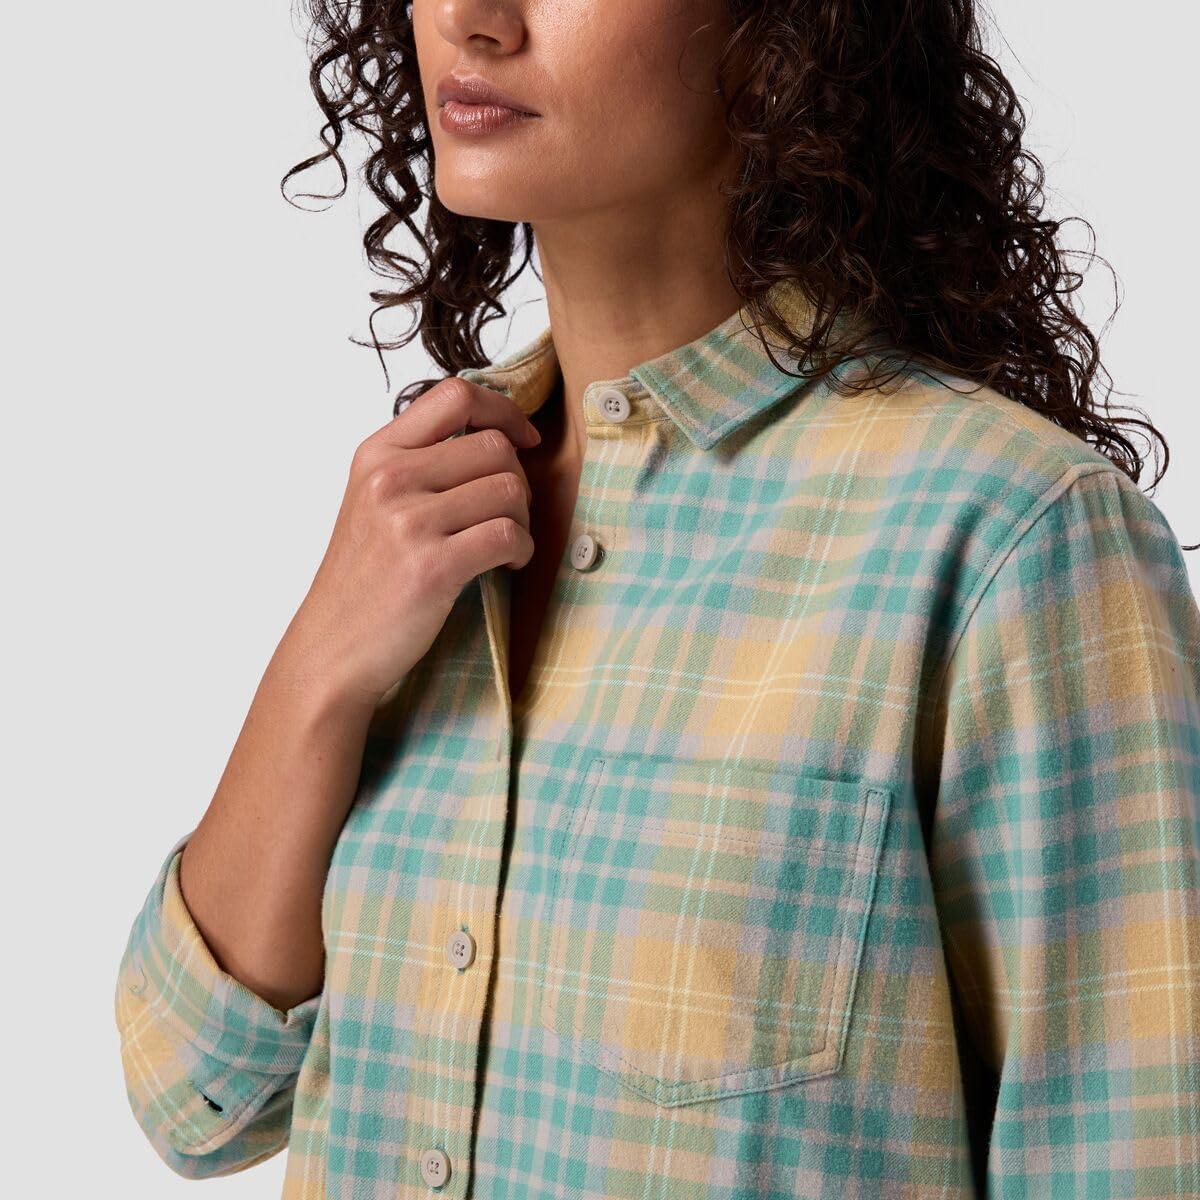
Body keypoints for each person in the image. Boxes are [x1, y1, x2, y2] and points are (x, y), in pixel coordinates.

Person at [114, 1, 1200, 1196]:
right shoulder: (421, 519)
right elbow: (193, 1095)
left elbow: (1134, 1156)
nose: (470, 19)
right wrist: (320, 671)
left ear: (785, 32)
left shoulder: (1006, 542)